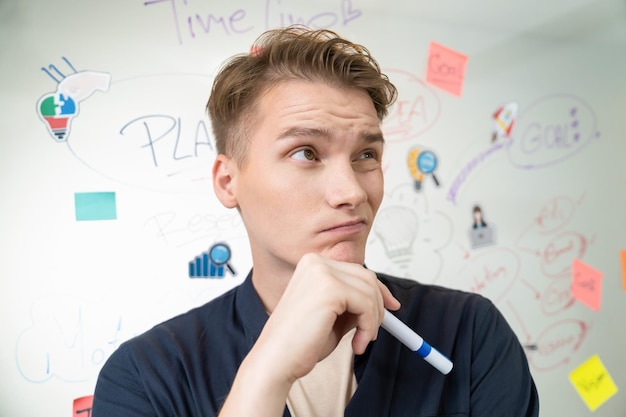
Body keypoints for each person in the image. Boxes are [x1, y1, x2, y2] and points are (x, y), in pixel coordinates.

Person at [92, 26, 539, 416]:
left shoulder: (469, 332)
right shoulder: (145, 375)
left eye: (366, 155)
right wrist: (265, 373)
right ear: (228, 181)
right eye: (306, 152)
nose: (353, 192)